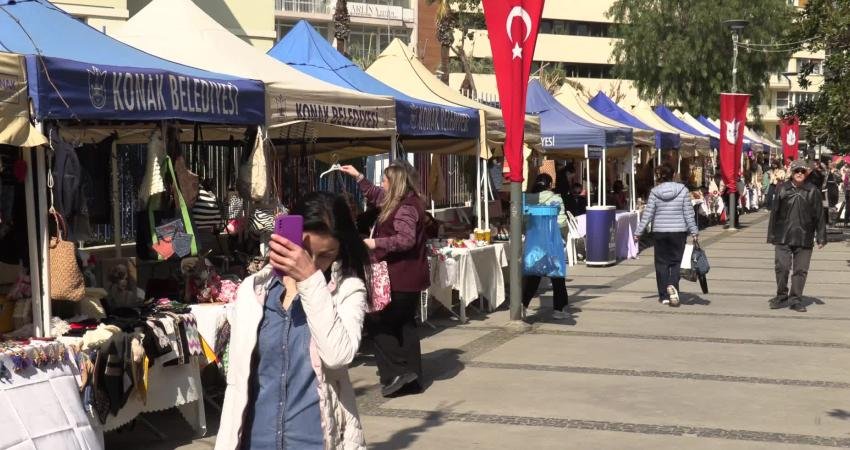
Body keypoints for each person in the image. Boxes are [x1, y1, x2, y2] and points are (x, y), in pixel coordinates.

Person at [216, 192, 372, 450]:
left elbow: (338, 356)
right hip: (256, 441)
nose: (313, 263)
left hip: (316, 441)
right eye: (305, 252)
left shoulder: (347, 291)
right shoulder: (253, 292)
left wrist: (310, 281)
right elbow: (237, 382)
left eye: (326, 255)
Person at [340, 162, 429, 398]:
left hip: (399, 276)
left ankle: (396, 374)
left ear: (395, 183)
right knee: (405, 324)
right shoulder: (402, 201)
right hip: (407, 277)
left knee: (380, 323)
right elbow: (376, 194)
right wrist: (358, 177)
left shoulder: (405, 208)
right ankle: (413, 378)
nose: (382, 184)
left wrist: (374, 243)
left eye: (385, 180)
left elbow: (405, 239)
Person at [633, 164, 699, 307]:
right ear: (674, 175)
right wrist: (694, 231)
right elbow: (689, 213)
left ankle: (664, 296)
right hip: (679, 232)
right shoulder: (683, 190)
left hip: (660, 232)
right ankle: (672, 284)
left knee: (661, 263)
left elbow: (648, 214)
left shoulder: (655, 192)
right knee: (677, 261)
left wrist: (638, 232)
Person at [767, 159, 826, 313]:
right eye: (796, 171)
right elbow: (774, 213)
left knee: (800, 270)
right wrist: (771, 235)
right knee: (782, 267)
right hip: (783, 235)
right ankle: (781, 295)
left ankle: (795, 299)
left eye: (802, 171)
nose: (799, 173)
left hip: (804, 236)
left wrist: (821, 236)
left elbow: (819, 215)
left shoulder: (813, 191)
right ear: (792, 173)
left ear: (806, 173)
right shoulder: (782, 189)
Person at [522, 174, 570, 320]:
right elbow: (562, 223)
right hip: (552, 242)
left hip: (534, 244)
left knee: (534, 275)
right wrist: (564, 237)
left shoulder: (526, 199)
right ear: (549, 185)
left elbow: (523, 222)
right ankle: (559, 309)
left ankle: (523, 305)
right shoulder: (556, 199)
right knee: (557, 275)